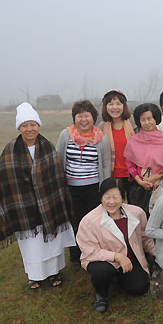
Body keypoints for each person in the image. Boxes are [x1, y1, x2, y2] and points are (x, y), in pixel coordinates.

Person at [0, 102, 76, 289]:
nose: (29, 129)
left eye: (33, 124)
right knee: (32, 244)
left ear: (38, 125)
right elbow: (5, 179)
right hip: (25, 207)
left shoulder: (48, 146)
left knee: (52, 241)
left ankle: (54, 272)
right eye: (25, 125)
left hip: (49, 203)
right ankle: (34, 276)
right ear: (19, 127)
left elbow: (56, 177)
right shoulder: (10, 149)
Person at [76, 178, 156, 312]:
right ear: (101, 198)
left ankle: (117, 280)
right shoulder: (89, 221)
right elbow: (90, 251)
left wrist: (157, 253)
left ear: (123, 197)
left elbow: (145, 238)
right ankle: (102, 294)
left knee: (139, 288)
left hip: (129, 260)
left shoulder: (137, 213)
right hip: (103, 261)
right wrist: (117, 256)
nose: (111, 202)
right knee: (101, 271)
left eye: (115, 197)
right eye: (107, 197)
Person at [57, 100, 111, 266]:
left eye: (86, 115)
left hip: (94, 188)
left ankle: (95, 253)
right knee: (75, 221)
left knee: (94, 222)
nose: (83, 119)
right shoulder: (66, 135)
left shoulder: (101, 138)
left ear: (93, 117)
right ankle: (76, 255)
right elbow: (58, 160)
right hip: (71, 188)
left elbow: (106, 165)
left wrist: (105, 190)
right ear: (74, 118)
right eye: (79, 116)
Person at [124, 103, 163, 214]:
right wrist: (140, 181)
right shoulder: (133, 141)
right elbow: (129, 164)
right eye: (143, 120)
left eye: (150, 118)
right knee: (140, 219)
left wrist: (155, 178)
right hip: (138, 189)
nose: (147, 123)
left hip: (161, 187)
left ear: (156, 118)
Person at [101, 89, 134, 200]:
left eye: (118, 104)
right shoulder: (101, 127)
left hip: (133, 175)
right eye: (110, 104)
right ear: (105, 107)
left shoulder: (133, 124)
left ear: (124, 106)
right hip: (112, 175)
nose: (115, 107)